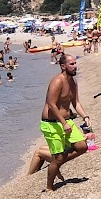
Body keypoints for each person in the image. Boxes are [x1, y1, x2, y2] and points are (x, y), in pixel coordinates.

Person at [29, 53, 90, 191]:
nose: (75, 66)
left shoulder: (73, 82)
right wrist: (64, 123)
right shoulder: (57, 81)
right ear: (63, 66)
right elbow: (51, 104)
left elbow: (76, 103)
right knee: (57, 157)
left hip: (66, 121)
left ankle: (58, 162)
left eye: (75, 63)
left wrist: (85, 117)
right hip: (51, 123)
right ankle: (49, 187)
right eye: (72, 64)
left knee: (82, 146)